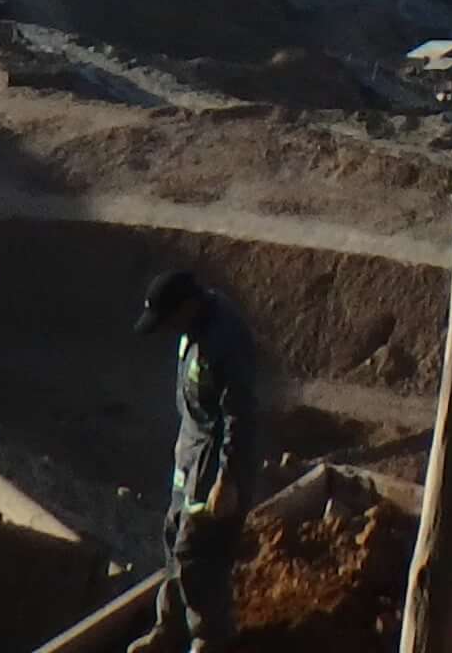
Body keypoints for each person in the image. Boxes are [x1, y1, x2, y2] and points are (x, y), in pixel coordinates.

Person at [139, 265, 268, 653]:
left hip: (216, 464)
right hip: (190, 455)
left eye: (168, 319)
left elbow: (240, 416)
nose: (165, 329)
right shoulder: (193, 329)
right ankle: (170, 629)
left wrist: (227, 478)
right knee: (173, 539)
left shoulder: (225, 341)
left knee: (198, 554)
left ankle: (210, 638)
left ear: (187, 306)